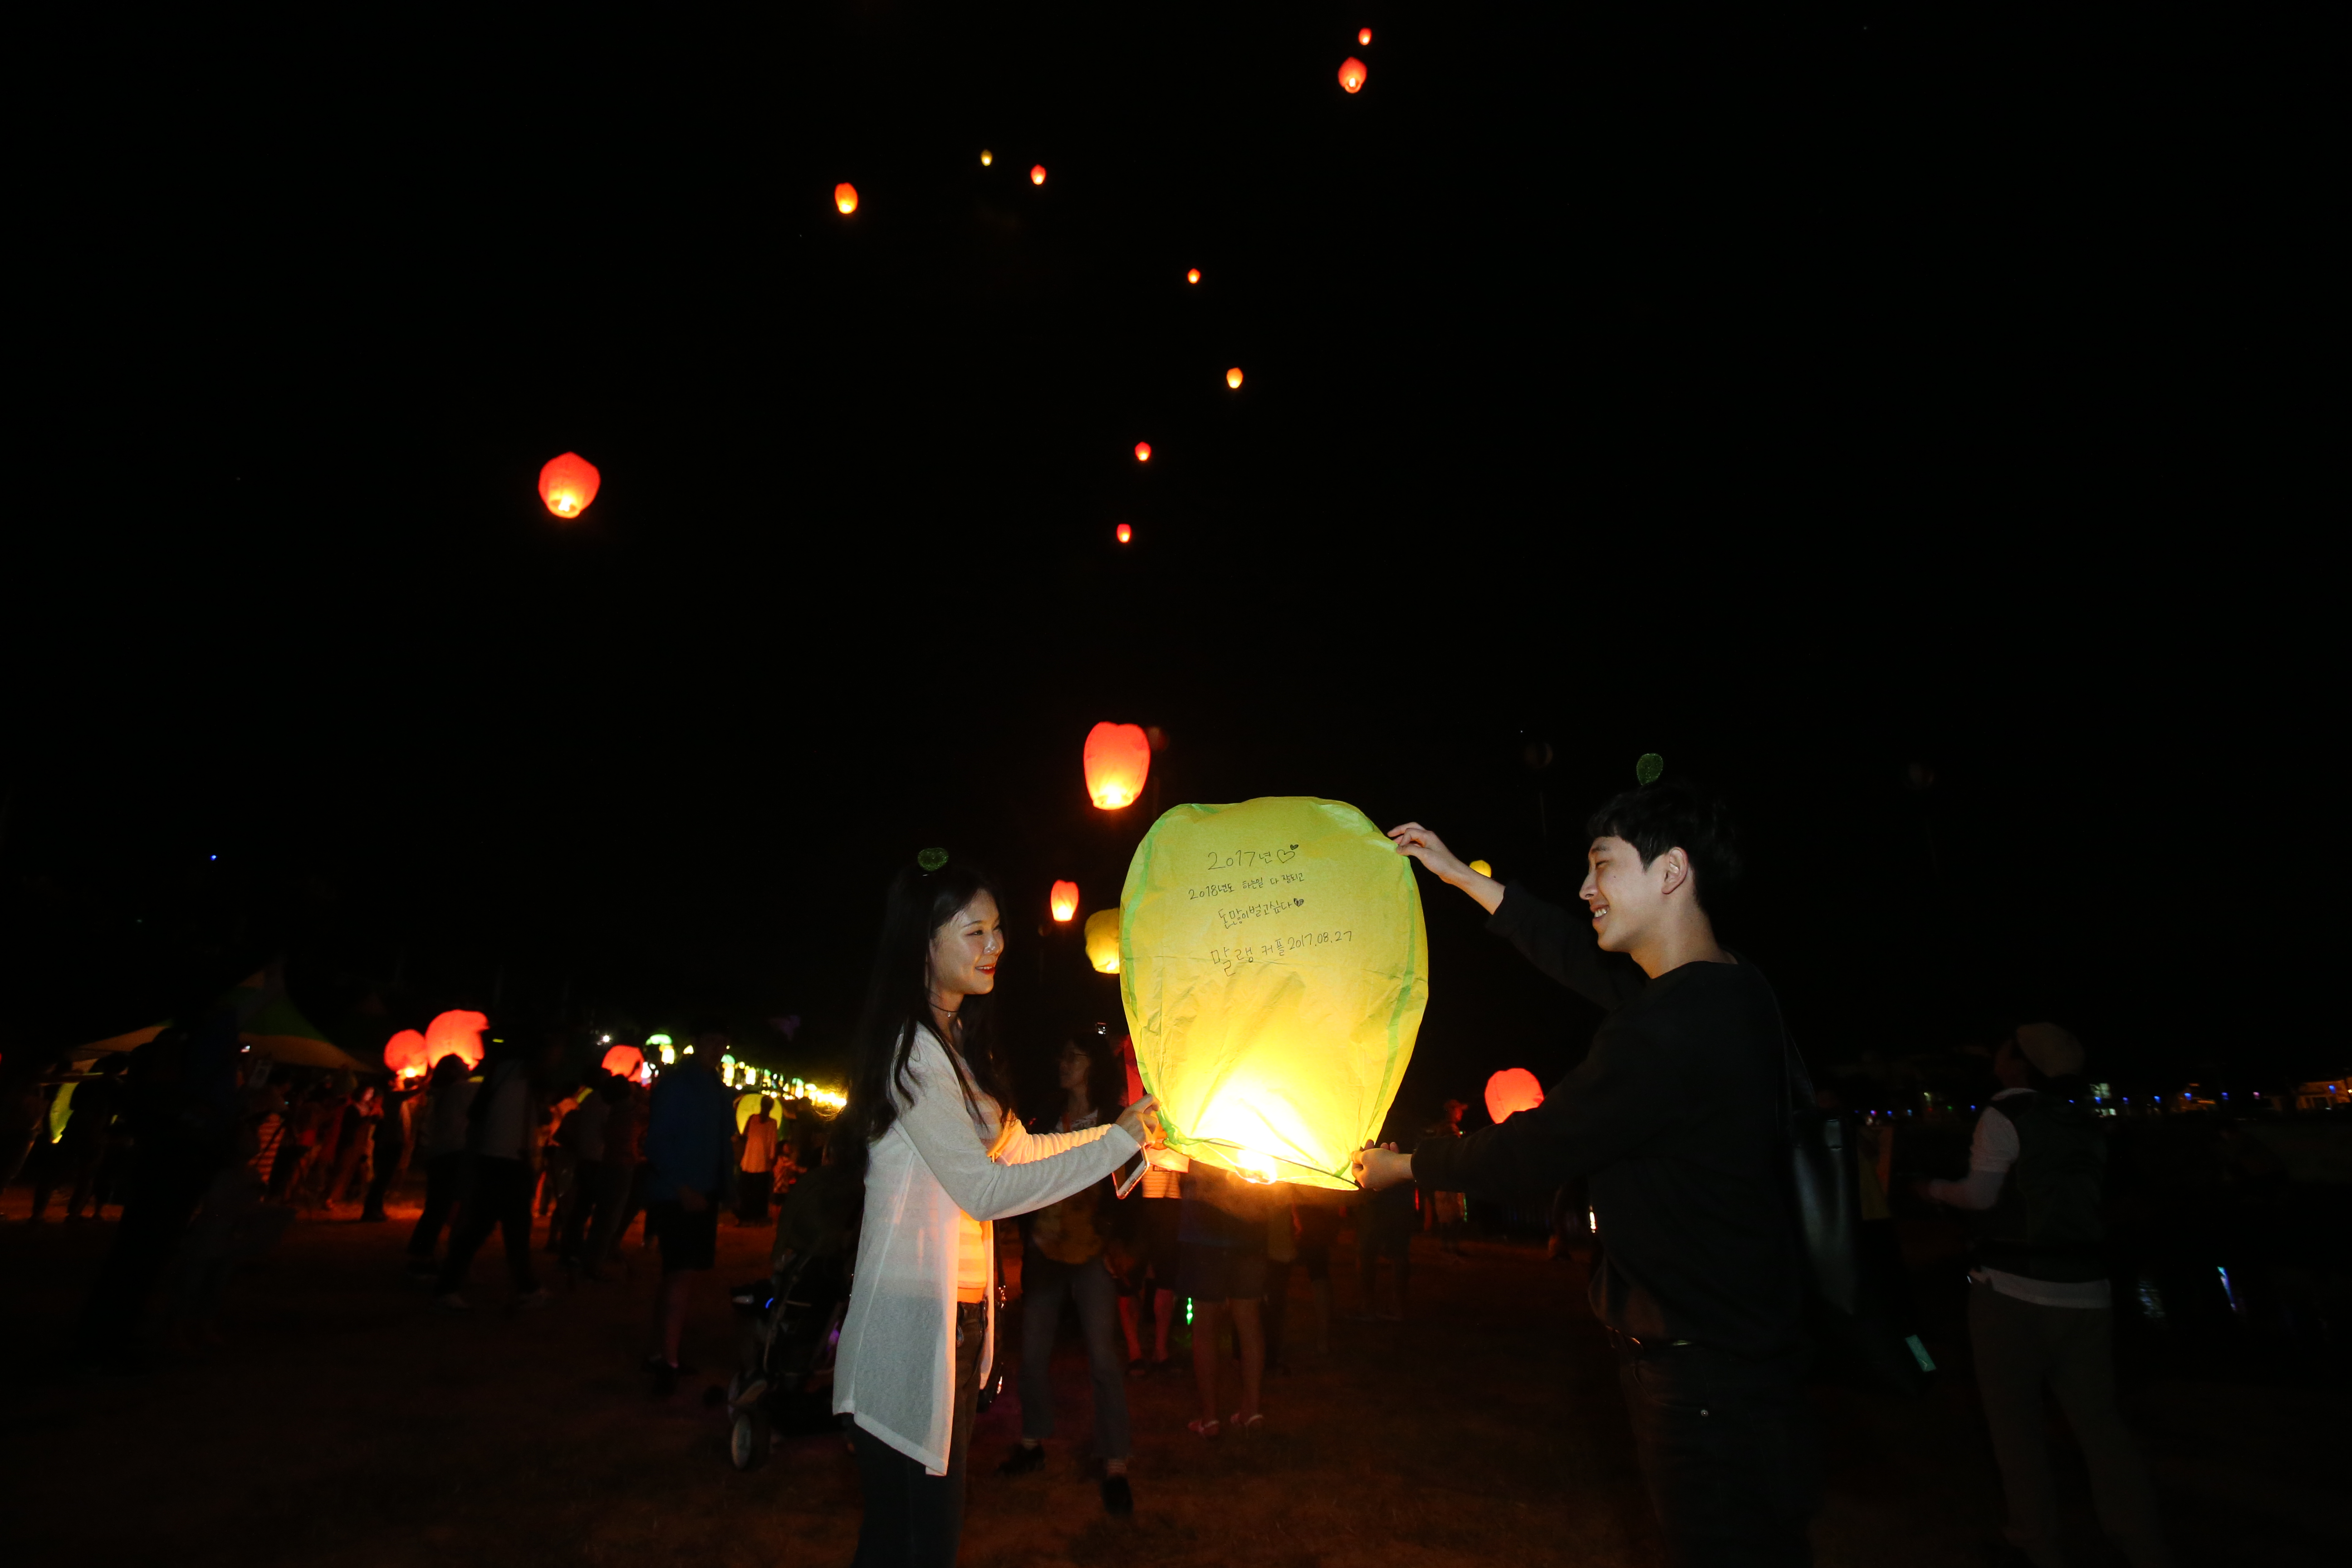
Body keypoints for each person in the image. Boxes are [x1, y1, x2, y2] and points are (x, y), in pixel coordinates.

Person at [1363, 787, 1816, 1566]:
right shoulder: (1733, 988)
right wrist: (1458, 876)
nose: (1584, 890)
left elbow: (1537, 1147)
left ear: (1671, 872)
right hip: (1753, 1352)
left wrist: (1407, 1164)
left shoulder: (1665, 1028)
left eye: (1601, 866)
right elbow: (1569, 951)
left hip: (1698, 1370)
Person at [831, 852, 1156, 1568]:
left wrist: (1117, 1132)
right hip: (908, 1323)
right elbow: (981, 1191)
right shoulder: (912, 1052)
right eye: (975, 932)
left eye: (999, 930)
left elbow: (1018, 1154)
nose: (997, 946)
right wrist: (1111, 1149)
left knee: (914, 1539)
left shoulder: (953, 1047)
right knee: (911, 1541)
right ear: (925, 943)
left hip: (952, 1320)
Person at [1917, 1024, 2171, 1568]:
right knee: (2101, 1427)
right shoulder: (2087, 1120)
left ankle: (2037, 1543)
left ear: (2018, 1066)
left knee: (2016, 1427)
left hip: (2012, 1291)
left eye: (2005, 1050)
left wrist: (1935, 1190)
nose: (1997, 1056)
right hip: (2088, 1293)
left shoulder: (2005, 1115)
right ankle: (2143, 1544)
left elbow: (1981, 1197)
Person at [1002, 1032, 1138, 1513]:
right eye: (1062, 1055)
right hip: (1045, 1246)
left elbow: (1131, 1186)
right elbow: (1020, 1167)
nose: (1064, 1063)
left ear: (1092, 1067)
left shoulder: (1112, 1120)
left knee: (1103, 1357)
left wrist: (1118, 1242)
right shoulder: (1044, 1115)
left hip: (1092, 1251)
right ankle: (1033, 1443)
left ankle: (1115, 1462)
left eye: (1074, 1057)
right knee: (1033, 1352)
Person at [433, 1036, 555, 1310]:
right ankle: (526, 1288)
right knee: (510, 1229)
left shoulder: (503, 1072)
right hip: (509, 1160)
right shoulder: (524, 1073)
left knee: (485, 1227)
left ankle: (450, 1286)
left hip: (494, 1157)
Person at [642, 1038, 735, 1392]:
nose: (717, 1051)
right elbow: (656, 1143)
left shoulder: (714, 1087)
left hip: (700, 1192)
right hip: (679, 1195)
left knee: (678, 1276)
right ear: (697, 1044)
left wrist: (726, 1187)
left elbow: (723, 1141)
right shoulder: (680, 1085)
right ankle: (668, 1360)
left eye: (721, 1044)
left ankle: (661, 1352)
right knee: (679, 1274)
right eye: (712, 1043)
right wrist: (681, 1187)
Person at [1179, 1162, 1273, 1436]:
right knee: (1249, 1324)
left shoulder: (1198, 1124)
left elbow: (1194, 1181)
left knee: (1205, 1328)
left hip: (1205, 1235)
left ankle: (1210, 1419)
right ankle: (1251, 1411)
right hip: (1249, 1231)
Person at [406, 1054, 477, 1273]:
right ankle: (423, 1258)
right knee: (444, 1208)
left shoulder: (444, 1093)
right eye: (463, 1064)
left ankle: (421, 1254)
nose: (469, 1066)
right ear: (455, 1071)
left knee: (436, 1207)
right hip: (453, 1154)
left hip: (439, 1154)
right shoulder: (463, 1090)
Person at [1352, 1152, 1414, 1321]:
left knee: (1366, 1253)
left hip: (1375, 1198)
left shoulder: (1371, 1129)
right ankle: (1398, 1306)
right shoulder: (1406, 1129)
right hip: (1400, 1196)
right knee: (1399, 1253)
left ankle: (1369, 1306)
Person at [736, 1099, 779, 1224]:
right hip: (763, 1161)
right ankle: (759, 1215)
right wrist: (772, 1160)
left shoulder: (752, 1119)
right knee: (760, 1191)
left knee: (747, 1190)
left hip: (749, 1160)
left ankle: (746, 1215)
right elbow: (772, 1143)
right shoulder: (772, 1123)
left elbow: (744, 1135)